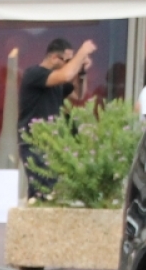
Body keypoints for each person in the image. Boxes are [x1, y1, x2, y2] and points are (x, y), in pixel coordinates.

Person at [18, 37, 96, 200]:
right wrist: (81, 53)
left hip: (53, 140)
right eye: (67, 60)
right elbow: (66, 75)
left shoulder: (57, 80)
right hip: (34, 140)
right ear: (54, 58)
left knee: (51, 188)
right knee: (43, 187)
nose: (70, 64)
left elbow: (78, 94)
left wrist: (82, 71)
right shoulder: (35, 74)